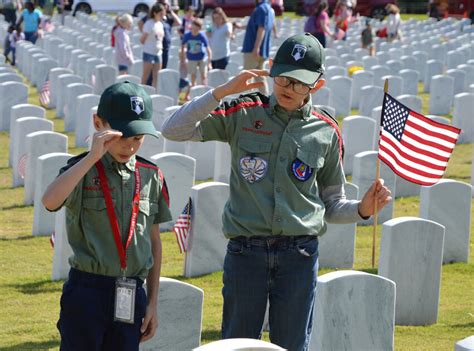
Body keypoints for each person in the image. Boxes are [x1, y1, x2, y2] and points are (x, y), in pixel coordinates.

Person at [161, 33, 392, 351]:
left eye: (299, 82)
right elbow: (173, 130)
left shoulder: (326, 131)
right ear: (271, 71)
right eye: (283, 78)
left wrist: (363, 209)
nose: (288, 87)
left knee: (293, 345)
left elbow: (332, 203)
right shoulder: (243, 112)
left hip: (299, 255)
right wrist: (223, 91)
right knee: (237, 345)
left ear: (317, 85)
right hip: (246, 253)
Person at [42, 81, 172, 350]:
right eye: (123, 136)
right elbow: (50, 201)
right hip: (87, 291)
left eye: (138, 138)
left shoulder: (151, 175)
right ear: (99, 123)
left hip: (131, 291)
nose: (130, 146)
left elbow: (154, 242)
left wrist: (152, 303)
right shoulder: (81, 169)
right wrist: (91, 157)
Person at [241, 0, 274, 95]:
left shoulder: (261, 8)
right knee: (260, 77)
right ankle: (266, 100)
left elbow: (261, 28)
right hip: (262, 50)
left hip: (253, 49)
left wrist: (256, 47)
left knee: (246, 77)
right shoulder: (269, 8)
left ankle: (245, 103)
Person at [181, 18, 212, 86]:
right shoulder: (187, 35)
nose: (195, 30)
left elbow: (208, 49)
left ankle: (204, 88)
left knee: (204, 75)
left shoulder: (202, 36)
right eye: (193, 28)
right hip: (191, 58)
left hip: (202, 57)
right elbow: (183, 46)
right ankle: (193, 89)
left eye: (197, 28)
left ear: (199, 29)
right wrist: (183, 59)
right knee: (193, 76)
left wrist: (209, 62)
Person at [140, 3, 165, 87]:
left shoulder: (160, 24)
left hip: (158, 52)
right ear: (155, 13)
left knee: (157, 77)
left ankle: (155, 95)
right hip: (149, 52)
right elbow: (142, 40)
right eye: (160, 13)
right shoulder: (149, 24)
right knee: (145, 76)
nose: (162, 15)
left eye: (163, 13)